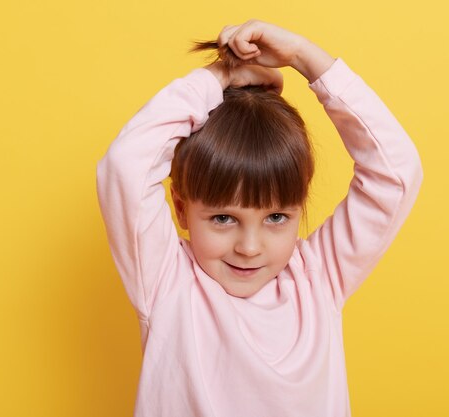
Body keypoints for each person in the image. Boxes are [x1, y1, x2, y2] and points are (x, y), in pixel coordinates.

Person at [96, 19, 423, 417]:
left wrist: (304, 57)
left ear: (299, 207)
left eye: (276, 218)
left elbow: (396, 174)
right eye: (222, 219)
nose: (249, 248)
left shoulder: (317, 277)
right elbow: (125, 165)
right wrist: (219, 76)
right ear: (181, 210)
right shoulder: (167, 281)